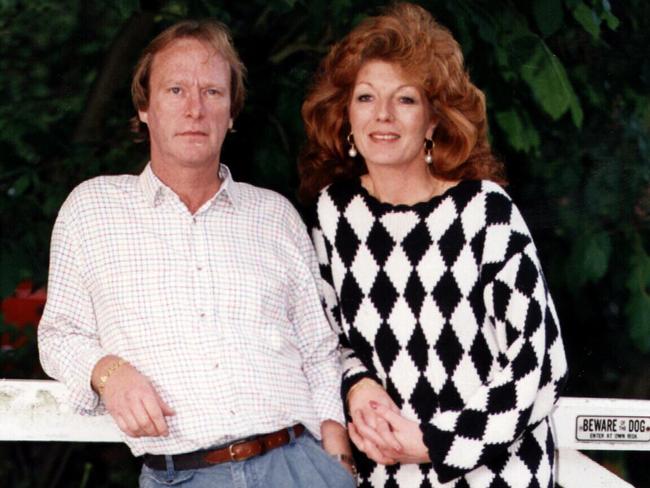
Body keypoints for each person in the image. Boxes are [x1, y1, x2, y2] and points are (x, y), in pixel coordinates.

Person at [38, 19, 356, 488]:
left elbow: (318, 347)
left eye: (212, 92)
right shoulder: (93, 210)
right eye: (176, 90)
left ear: (231, 113)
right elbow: (59, 333)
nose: (195, 109)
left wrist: (335, 457)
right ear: (145, 107)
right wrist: (109, 373)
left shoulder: (275, 215)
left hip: (298, 465)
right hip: (183, 475)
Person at [299, 3, 568, 487]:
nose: (382, 115)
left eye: (404, 99)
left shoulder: (485, 211)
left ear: (432, 121)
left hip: (499, 476)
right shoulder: (332, 214)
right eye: (365, 98)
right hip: (388, 477)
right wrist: (356, 383)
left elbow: (541, 364)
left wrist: (436, 442)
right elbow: (328, 340)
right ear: (345, 117)